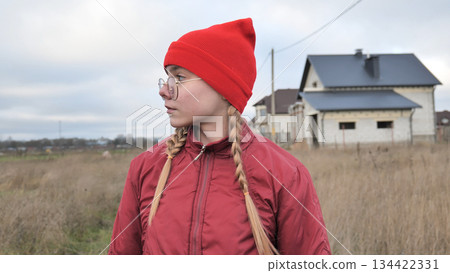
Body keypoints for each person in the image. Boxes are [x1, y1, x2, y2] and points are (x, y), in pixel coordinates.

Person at [108, 18, 331, 255]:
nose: (163, 90)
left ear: (223, 88)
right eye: (167, 78)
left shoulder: (286, 175)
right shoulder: (145, 168)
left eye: (180, 78)